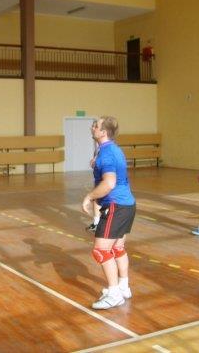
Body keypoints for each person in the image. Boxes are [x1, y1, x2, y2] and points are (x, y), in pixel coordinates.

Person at [82, 116, 136, 310]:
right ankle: (123, 287)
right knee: (117, 249)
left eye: (95, 126)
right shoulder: (112, 148)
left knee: (101, 250)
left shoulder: (106, 153)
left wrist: (89, 197)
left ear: (103, 132)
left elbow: (109, 183)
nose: (92, 127)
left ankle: (114, 294)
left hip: (115, 206)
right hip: (127, 204)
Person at [86, 120, 101, 233]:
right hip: (98, 176)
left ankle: (99, 223)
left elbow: (103, 152)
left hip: (103, 178)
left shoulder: (106, 145)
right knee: (97, 200)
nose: (92, 128)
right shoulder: (96, 142)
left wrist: (95, 159)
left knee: (98, 200)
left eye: (94, 126)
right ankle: (97, 222)